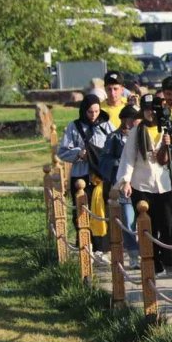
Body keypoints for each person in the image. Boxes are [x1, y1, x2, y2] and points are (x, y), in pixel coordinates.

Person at [116, 94, 172, 276]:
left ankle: (167, 257)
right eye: (147, 109)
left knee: (169, 224)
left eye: (154, 108)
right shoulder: (137, 131)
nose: (151, 112)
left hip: (165, 184)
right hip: (142, 184)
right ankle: (154, 261)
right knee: (149, 225)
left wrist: (169, 144)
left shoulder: (167, 128)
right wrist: (125, 181)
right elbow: (128, 158)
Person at [56, 94, 115, 250]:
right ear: (84, 111)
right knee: (81, 211)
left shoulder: (107, 125)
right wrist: (79, 153)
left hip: (101, 176)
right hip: (80, 175)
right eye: (90, 112)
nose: (93, 115)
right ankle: (83, 244)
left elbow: (116, 145)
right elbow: (62, 151)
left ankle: (102, 247)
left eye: (96, 111)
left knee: (102, 210)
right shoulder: (73, 127)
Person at [100, 105, 141, 269]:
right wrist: (122, 163)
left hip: (141, 183)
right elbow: (105, 161)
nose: (132, 122)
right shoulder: (114, 137)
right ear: (124, 119)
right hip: (124, 185)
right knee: (128, 221)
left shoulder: (141, 136)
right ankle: (133, 255)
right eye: (130, 119)